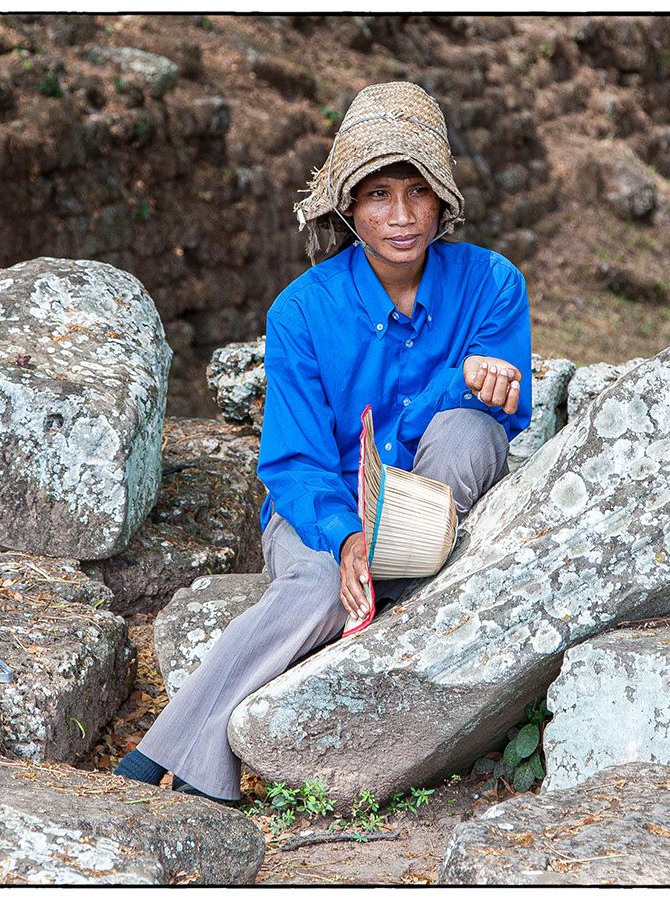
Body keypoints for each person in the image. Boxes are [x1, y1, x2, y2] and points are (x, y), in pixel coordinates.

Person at [114, 82, 532, 803]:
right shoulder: (302, 311)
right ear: (348, 207)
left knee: (468, 429)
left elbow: (494, 424)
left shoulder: (492, 284)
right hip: (322, 510)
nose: (401, 217)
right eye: (377, 195)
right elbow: (295, 463)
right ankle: (173, 761)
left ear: (443, 201)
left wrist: (478, 382)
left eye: (417, 193)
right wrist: (346, 540)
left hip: (430, 507)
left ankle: (390, 594)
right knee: (314, 585)